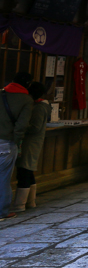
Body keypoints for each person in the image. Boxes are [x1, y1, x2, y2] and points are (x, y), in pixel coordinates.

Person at [11, 82, 51, 213]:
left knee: (24, 172)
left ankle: (19, 205)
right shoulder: (43, 106)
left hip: (30, 143)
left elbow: (35, 127)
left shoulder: (39, 108)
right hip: (33, 143)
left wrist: (20, 126)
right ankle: (30, 202)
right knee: (28, 172)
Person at [0, 72, 34, 220]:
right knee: (3, 178)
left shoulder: (1, 94)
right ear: (27, 84)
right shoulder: (26, 100)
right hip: (7, 142)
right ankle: (2, 211)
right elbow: (22, 125)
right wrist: (17, 141)